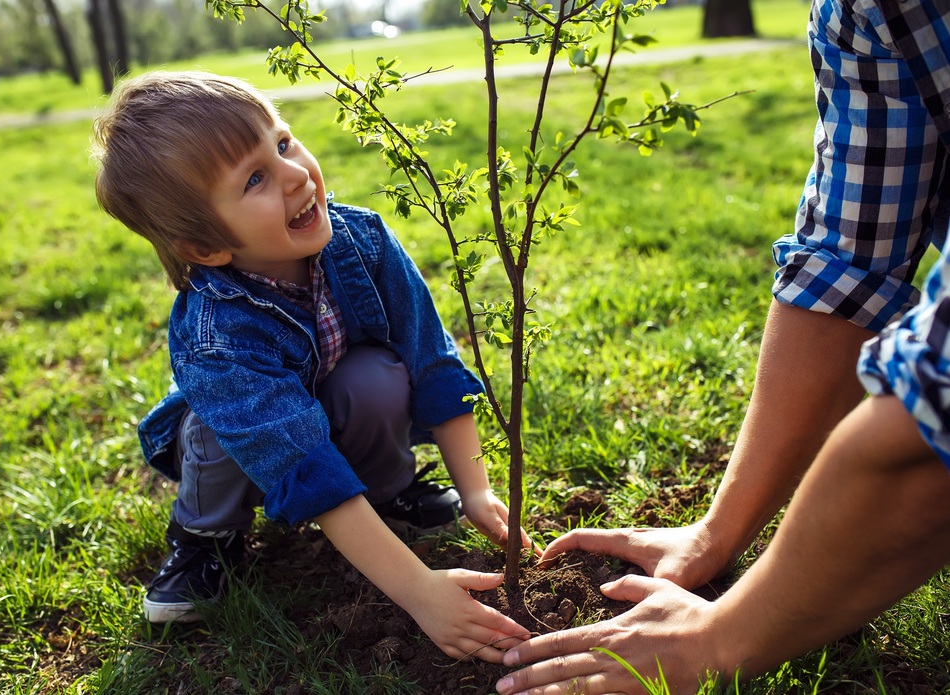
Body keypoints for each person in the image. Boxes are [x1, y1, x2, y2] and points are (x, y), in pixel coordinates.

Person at [494, 0, 950, 692]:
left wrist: (721, 637)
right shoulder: (862, 13)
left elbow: (934, 411)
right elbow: (845, 265)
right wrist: (714, 532)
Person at [91, 70, 533, 663]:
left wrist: (475, 491)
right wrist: (420, 591)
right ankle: (205, 539)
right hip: (253, 451)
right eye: (255, 179)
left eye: (282, 142)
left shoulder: (364, 242)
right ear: (206, 247)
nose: (297, 174)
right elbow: (301, 461)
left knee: (377, 375)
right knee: (215, 428)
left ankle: (386, 493)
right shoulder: (216, 337)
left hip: (334, 410)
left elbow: (433, 363)